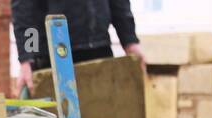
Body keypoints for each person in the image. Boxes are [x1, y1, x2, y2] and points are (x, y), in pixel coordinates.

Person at [11, 0, 144, 95]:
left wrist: (129, 41)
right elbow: (25, 10)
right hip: (54, 56)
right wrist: (28, 58)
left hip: (99, 50)